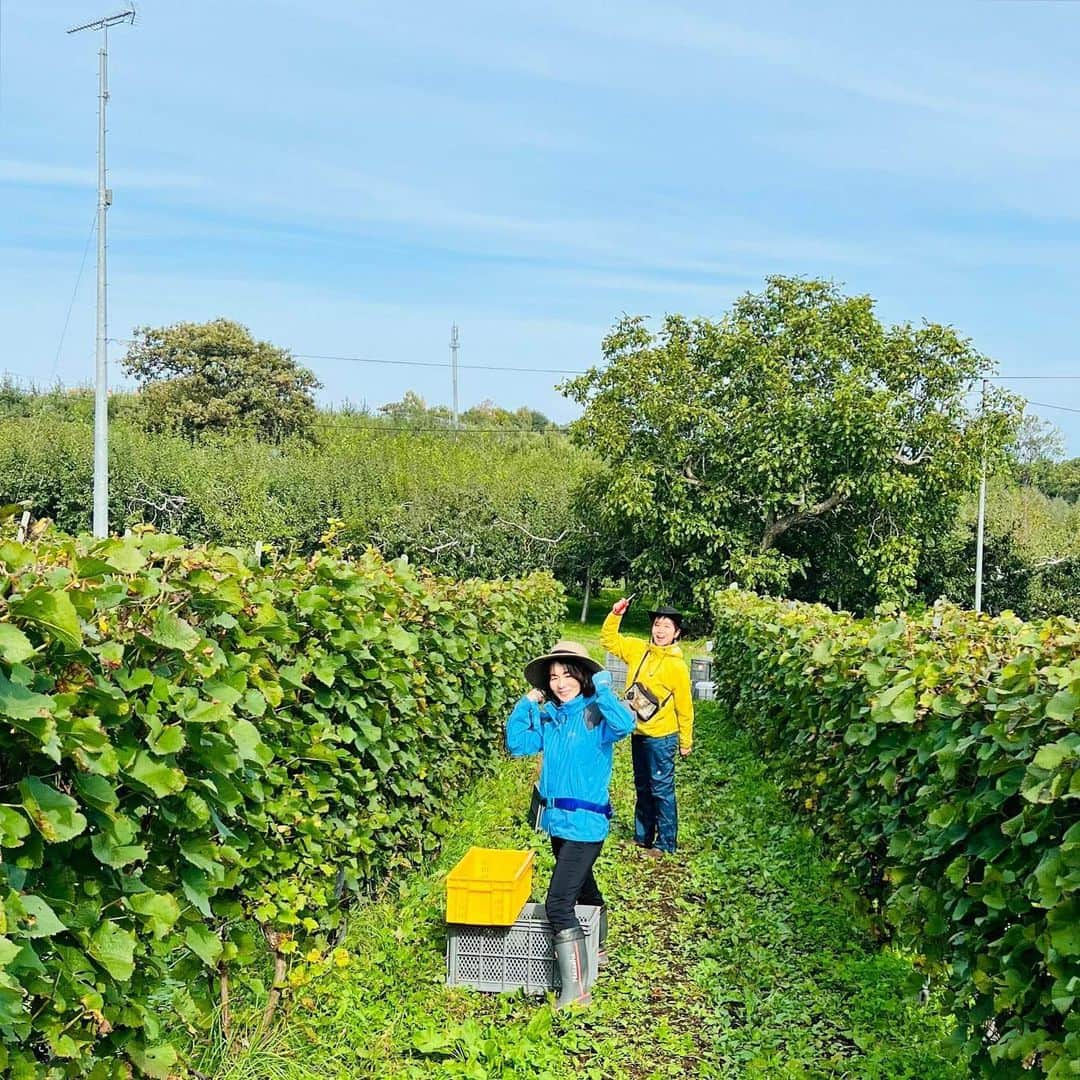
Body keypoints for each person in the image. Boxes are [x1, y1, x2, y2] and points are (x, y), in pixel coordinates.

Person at [506, 639, 635, 1009]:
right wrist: (526, 703)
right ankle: (601, 948)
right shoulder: (552, 717)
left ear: (582, 676)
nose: (560, 683)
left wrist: (606, 686)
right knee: (584, 889)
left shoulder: (597, 714)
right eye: (553, 677)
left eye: (567, 674)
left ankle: (577, 990)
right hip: (558, 823)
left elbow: (625, 725)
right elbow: (517, 744)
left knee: (559, 903)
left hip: (587, 826)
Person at [601, 599, 693, 855]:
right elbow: (609, 640)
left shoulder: (677, 667)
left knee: (661, 789)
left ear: (676, 633)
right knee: (642, 786)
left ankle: (665, 844)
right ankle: (642, 837)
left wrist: (686, 741)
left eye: (667, 626)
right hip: (638, 732)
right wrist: (615, 613)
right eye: (656, 624)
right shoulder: (637, 650)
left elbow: (685, 708)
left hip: (662, 738)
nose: (660, 630)